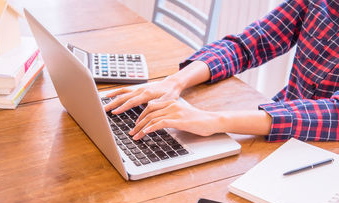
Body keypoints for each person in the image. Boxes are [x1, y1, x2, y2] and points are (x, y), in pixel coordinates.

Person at [105, 0, 339, 142]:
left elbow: (335, 116)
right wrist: (174, 83)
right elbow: (247, 45)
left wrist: (213, 120)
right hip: (273, 128)